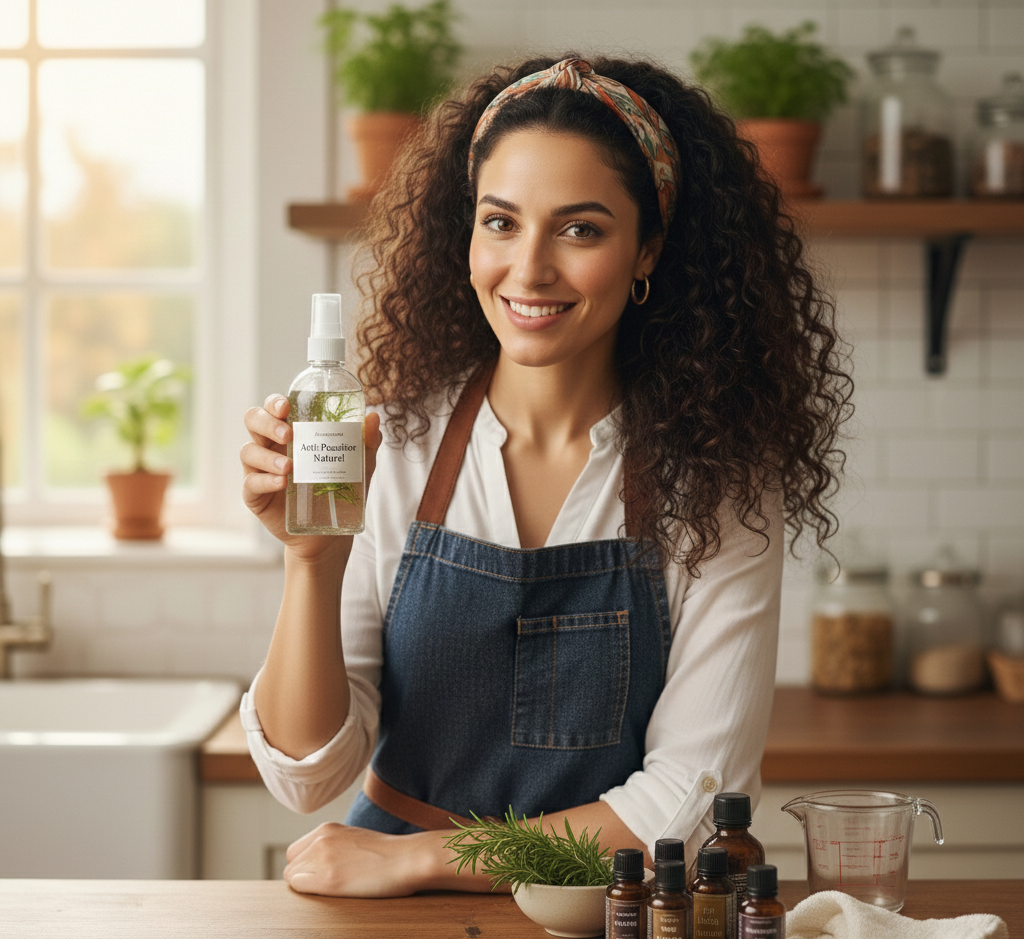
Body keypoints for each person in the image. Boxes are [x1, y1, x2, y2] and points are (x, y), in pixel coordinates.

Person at [239, 54, 852, 899]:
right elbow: (307, 772)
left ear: (648, 249)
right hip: (392, 915)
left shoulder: (717, 484)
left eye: (580, 230)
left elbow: (687, 806)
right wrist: (311, 559)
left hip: (605, 909)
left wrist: (426, 856)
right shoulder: (395, 441)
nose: (528, 269)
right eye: (500, 221)